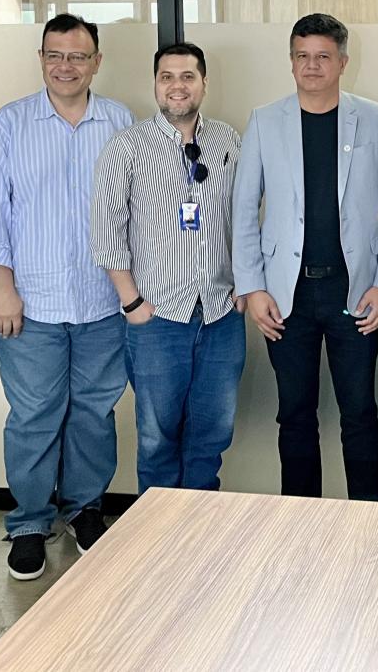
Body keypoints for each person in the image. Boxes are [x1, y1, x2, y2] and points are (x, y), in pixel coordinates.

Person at [0, 14, 133, 581]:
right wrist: (0, 290)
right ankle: (30, 523)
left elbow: (136, 211)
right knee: (34, 416)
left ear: (96, 62)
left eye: (78, 56)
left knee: (93, 412)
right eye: (55, 55)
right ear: (41, 59)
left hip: (103, 302)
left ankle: (85, 509)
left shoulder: (120, 122)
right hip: (29, 304)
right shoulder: (11, 123)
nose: (66, 66)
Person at [232, 13, 378, 501]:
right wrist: (253, 286)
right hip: (286, 295)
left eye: (323, 56)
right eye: (302, 56)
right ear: (291, 62)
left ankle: (368, 519)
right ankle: (299, 521)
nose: (312, 66)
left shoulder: (373, 118)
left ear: (343, 62)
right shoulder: (266, 120)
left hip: (355, 291)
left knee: (360, 413)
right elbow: (243, 210)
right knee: (294, 415)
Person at [92, 42, 245, 497]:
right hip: (157, 317)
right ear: (155, 85)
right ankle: (158, 533)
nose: (177, 86)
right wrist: (133, 303)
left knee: (212, 436)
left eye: (187, 76)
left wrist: (246, 286)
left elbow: (245, 217)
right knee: (158, 439)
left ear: (204, 83)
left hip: (220, 314)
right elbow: (106, 231)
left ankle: (199, 528)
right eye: (167, 77)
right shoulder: (127, 147)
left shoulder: (228, 140)